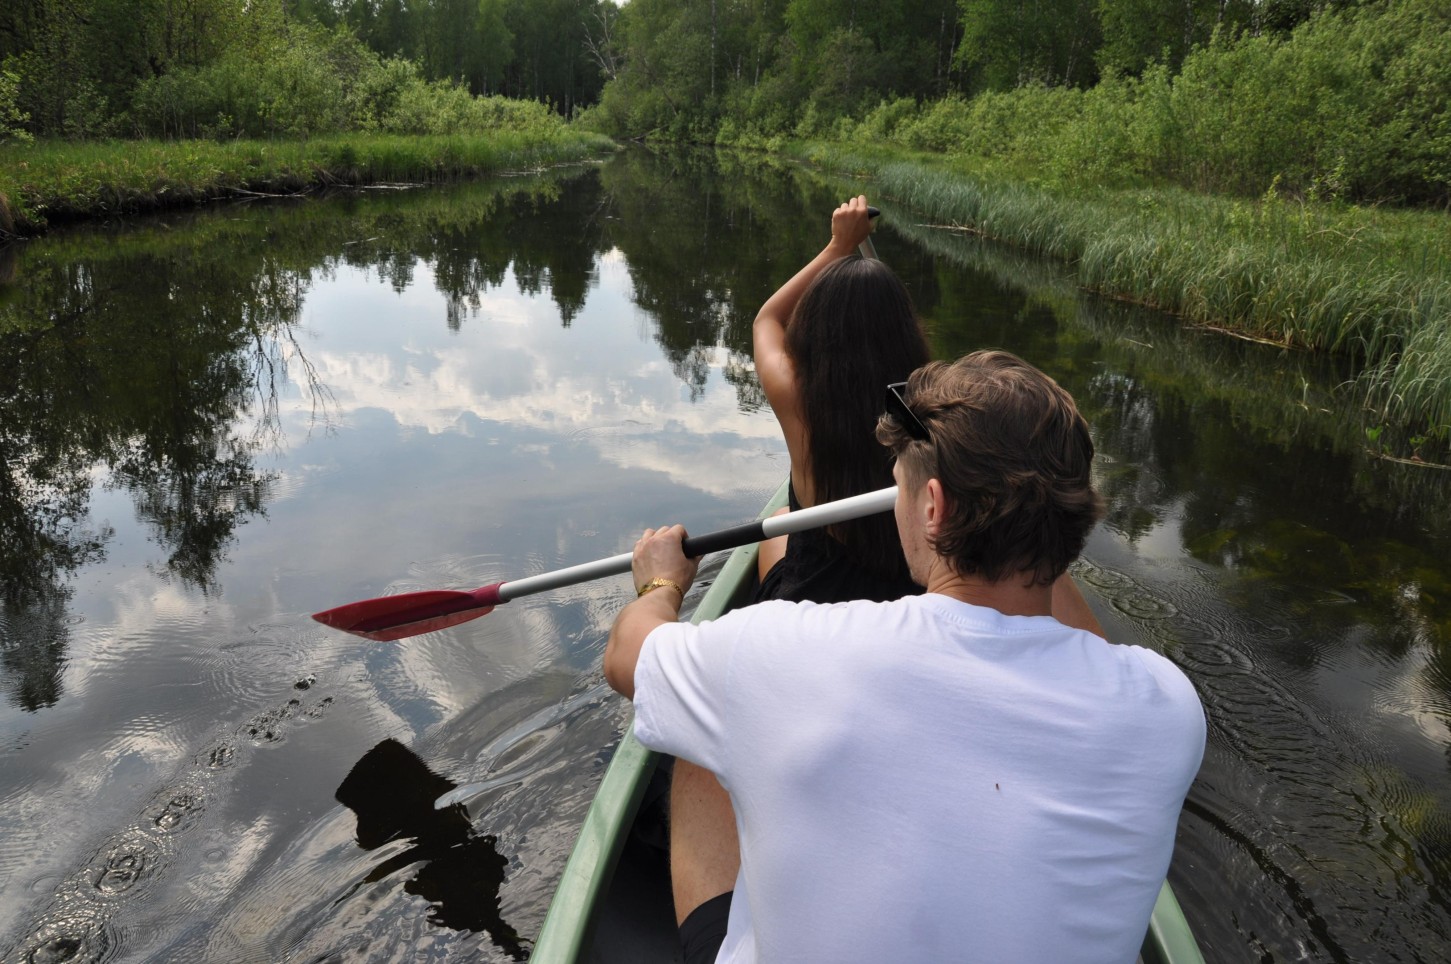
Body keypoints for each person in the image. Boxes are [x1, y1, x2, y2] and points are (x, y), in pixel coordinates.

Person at [605, 350, 1206, 963]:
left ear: (933, 508)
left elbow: (627, 654)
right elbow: (1086, 651)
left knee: (701, 744)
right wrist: (1042, 531)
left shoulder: (783, 651)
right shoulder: (1166, 706)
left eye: (900, 488)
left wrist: (661, 582)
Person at [750, 194, 928, 603]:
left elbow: (768, 319)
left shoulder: (797, 399)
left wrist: (838, 245)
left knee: (780, 525)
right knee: (782, 520)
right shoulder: (937, 401)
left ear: (816, 330)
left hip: (815, 602)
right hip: (906, 594)